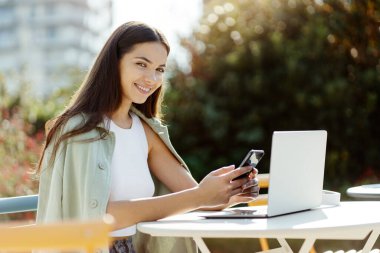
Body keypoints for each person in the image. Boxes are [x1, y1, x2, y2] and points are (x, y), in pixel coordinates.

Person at [35, 21, 260, 253]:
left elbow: (192, 195)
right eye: (142, 64)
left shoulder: (145, 130)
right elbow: (99, 217)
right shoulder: (78, 131)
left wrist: (229, 193)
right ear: (114, 63)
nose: (152, 78)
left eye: (160, 69)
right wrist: (200, 196)